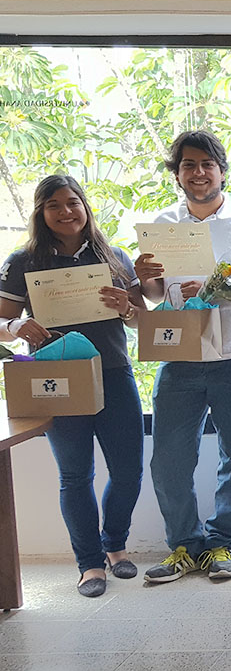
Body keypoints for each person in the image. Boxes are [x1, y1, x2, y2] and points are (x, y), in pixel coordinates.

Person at [0, 175, 145, 597]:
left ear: (85, 206)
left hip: (113, 373)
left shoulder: (114, 256)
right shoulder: (22, 262)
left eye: (72, 203)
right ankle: (89, 564)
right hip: (56, 378)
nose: (66, 212)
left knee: (129, 471)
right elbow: (1, 323)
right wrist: (15, 325)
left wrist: (127, 308)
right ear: (40, 213)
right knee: (75, 475)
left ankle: (114, 544)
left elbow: (140, 319)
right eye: (53, 205)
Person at [135, 130, 231, 584]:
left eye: (207, 164)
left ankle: (221, 543)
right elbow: (152, 295)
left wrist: (214, 288)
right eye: (188, 165)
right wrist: (145, 278)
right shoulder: (160, 224)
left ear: (222, 171)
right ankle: (184, 547)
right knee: (169, 458)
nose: (198, 172)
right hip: (180, 357)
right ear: (177, 174)